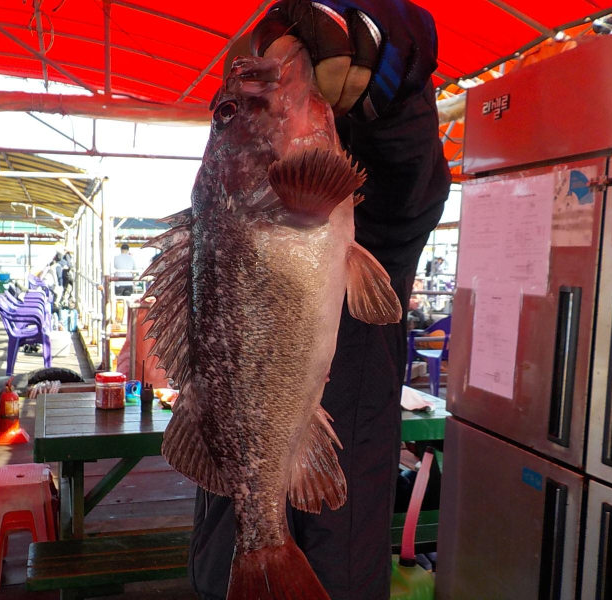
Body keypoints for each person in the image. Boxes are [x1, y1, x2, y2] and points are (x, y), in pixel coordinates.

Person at [188, 2, 451, 599]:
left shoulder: (377, 213)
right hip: (226, 543)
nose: (249, 99)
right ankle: (258, 548)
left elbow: (410, 172)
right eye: (228, 111)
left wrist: (391, 56)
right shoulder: (236, 209)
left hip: (342, 550)